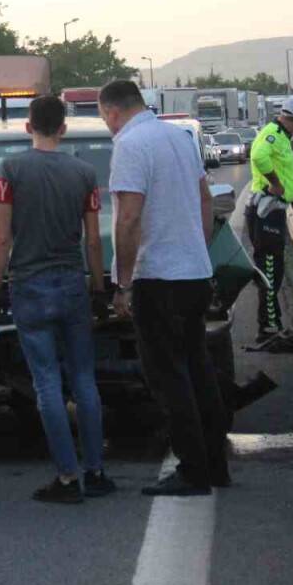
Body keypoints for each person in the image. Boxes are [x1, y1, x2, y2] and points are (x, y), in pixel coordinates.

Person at [99, 79, 227, 497]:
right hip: (194, 272)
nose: (107, 126)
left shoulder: (130, 146)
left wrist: (123, 284)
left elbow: (129, 219)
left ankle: (192, 471)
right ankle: (215, 464)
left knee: (167, 377)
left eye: (104, 118)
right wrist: (197, 248)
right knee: (198, 369)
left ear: (113, 111)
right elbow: (205, 200)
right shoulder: (177, 137)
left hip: (158, 278)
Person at [0, 96, 113, 504]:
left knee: (46, 383)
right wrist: (98, 287)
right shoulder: (84, 173)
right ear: (64, 128)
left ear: (29, 127)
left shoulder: (10, 170)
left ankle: (66, 477)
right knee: (83, 378)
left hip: (29, 283)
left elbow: (2, 236)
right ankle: (96, 470)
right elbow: (93, 239)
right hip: (72, 284)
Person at [248, 96, 293, 340]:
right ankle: (269, 329)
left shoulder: (281, 136)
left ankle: (273, 324)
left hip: (273, 212)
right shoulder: (272, 134)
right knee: (270, 272)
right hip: (267, 212)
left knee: (274, 270)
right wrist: (275, 183)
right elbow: (258, 157)